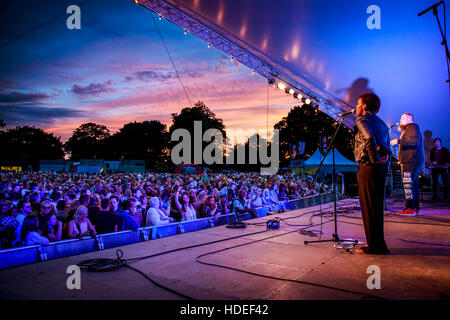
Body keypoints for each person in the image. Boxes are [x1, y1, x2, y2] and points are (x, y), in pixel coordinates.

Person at [353, 92, 390, 255]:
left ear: (365, 106)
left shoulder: (362, 119)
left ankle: (374, 246)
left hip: (369, 165)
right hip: (381, 166)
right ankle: (379, 244)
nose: (356, 107)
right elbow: (387, 144)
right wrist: (382, 160)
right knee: (377, 205)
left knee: (368, 206)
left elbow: (368, 139)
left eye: (358, 104)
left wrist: (374, 158)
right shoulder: (381, 122)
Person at [390, 113, 425, 215]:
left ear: (409, 118)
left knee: (408, 185)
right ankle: (415, 208)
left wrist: (398, 141)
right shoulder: (411, 128)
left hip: (410, 161)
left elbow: (414, 141)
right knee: (414, 185)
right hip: (414, 161)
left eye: (402, 118)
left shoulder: (411, 127)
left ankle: (409, 209)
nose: (400, 120)